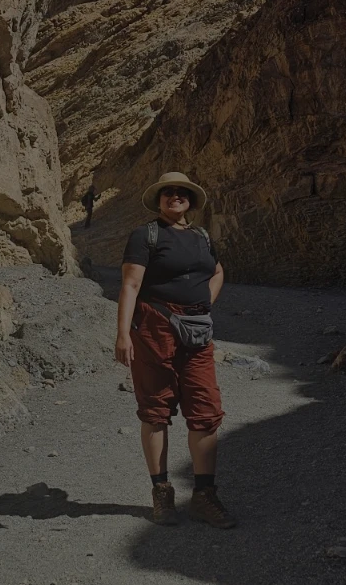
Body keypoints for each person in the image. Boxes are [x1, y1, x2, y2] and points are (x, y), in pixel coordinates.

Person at [116, 171, 234, 528]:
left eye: (181, 192)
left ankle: (204, 495)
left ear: (190, 201)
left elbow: (217, 271)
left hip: (196, 331)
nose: (174, 196)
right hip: (154, 329)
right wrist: (123, 333)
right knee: (155, 408)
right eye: (167, 192)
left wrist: (205, 303)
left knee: (206, 407)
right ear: (159, 200)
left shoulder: (201, 236)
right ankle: (162, 493)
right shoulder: (145, 235)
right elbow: (131, 284)